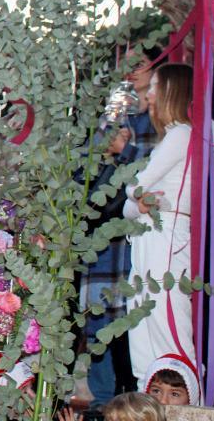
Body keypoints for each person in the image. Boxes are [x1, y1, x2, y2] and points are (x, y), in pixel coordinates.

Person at [82, 53, 158, 407]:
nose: (131, 67)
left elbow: (156, 175)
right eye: (125, 59)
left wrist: (124, 150)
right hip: (104, 241)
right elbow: (86, 179)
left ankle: (133, 403)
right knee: (98, 323)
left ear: (157, 65)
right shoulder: (111, 115)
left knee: (133, 324)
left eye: (140, 59)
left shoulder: (160, 118)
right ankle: (100, 405)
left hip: (143, 238)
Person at [124, 64, 194, 381]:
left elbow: (133, 188)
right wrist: (138, 203)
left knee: (169, 330)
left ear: (171, 91)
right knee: (141, 330)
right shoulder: (169, 138)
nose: (149, 95)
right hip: (146, 237)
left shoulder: (182, 134)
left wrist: (137, 199)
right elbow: (128, 208)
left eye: (155, 87)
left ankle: (188, 408)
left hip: (166, 238)